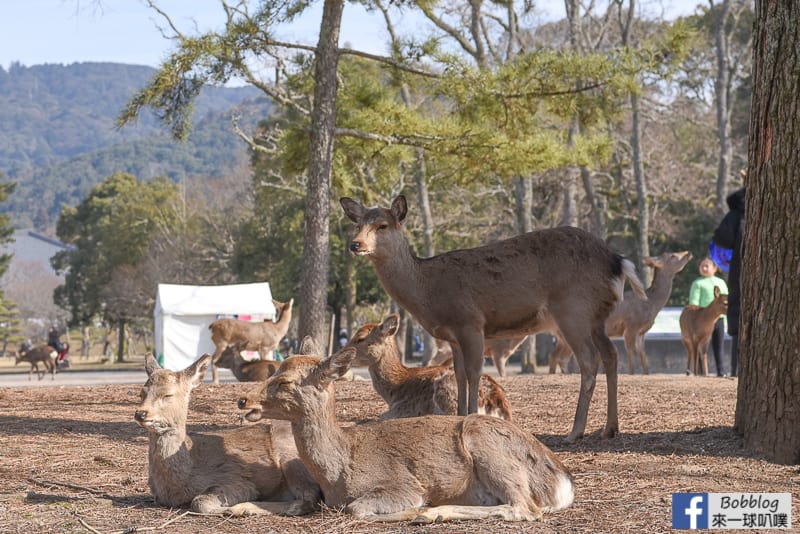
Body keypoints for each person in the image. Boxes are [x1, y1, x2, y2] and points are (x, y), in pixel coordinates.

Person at [712, 187, 745, 377]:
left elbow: (721, 239)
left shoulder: (737, 214)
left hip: (741, 271)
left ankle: (737, 369)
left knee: (738, 314)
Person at [688, 257, 729, 376]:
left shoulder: (721, 282)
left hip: (719, 319)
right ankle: (700, 370)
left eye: (707, 266)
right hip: (702, 320)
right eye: (702, 266)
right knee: (701, 345)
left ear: (715, 268)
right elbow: (693, 302)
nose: (704, 268)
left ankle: (721, 370)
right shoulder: (697, 283)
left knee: (719, 345)